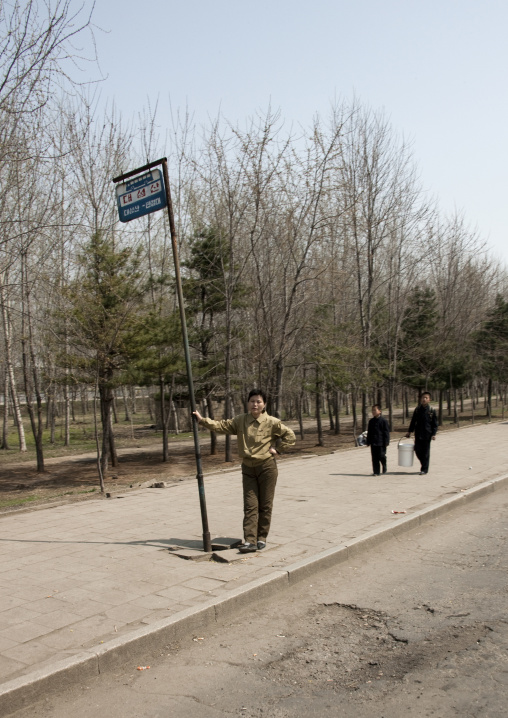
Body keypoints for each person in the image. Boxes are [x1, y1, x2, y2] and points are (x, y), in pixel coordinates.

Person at [192, 390, 296, 553]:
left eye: (259, 401)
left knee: (265, 505)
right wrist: (202, 420)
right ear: (247, 403)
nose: (255, 404)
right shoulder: (241, 421)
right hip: (248, 468)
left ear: (264, 404)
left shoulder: (272, 422)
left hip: (267, 467)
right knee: (250, 505)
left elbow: (290, 435)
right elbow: (221, 426)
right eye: (252, 401)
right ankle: (250, 540)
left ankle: (261, 537)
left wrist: (278, 450)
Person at [406, 391, 438, 474]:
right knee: (417, 450)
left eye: (426, 398)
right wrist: (409, 431)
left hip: (427, 434)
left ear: (429, 400)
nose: (424, 399)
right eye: (423, 398)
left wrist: (434, 434)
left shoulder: (431, 410)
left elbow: (435, 424)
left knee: (426, 452)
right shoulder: (417, 410)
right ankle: (424, 464)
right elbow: (413, 421)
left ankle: (424, 469)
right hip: (418, 433)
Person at [366, 405, 390, 476]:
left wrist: (386, 441)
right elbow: (369, 432)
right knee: (374, 457)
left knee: (381, 455)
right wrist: (368, 441)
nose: (373, 412)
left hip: (381, 442)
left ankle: (384, 464)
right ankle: (376, 471)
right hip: (373, 442)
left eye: (375, 410)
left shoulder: (383, 421)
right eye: (372, 410)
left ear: (380, 411)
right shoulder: (371, 421)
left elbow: (386, 432)